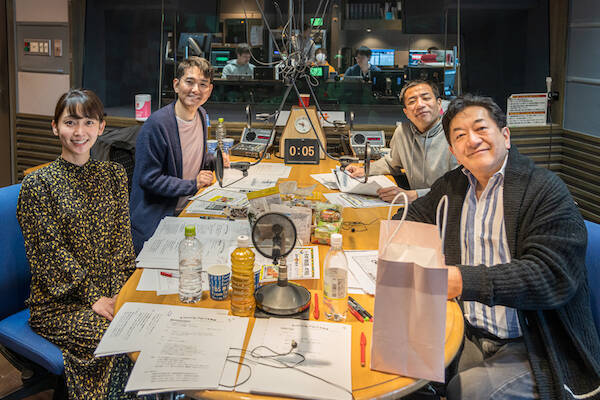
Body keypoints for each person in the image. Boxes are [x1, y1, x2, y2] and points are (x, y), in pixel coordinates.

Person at [400, 94, 600, 399]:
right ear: (453, 151)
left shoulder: (544, 190)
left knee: (467, 391)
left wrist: (461, 280)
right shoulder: (453, 186)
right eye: (460, 135)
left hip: (536, 344)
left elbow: (550, 275)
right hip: (468, 330)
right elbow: (412, 219)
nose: (472, 140)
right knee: (402, 366)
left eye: (481, 129)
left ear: (505, 136)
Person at [17, 89, 137, 399]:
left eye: (88, 122)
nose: (79, 132)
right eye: (70, 122)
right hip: (59, 303)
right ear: (55, 127)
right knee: (120, 341)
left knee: (149, 328)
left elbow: (122, 243)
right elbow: (49, 254)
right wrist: (94, 297)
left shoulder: (114, 175)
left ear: (101, 127)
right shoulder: (38, 183)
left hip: (110, 292)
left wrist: (123, 293)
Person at [130, 56, 228, 254]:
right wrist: (192, 184)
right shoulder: (157, 125)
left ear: (209, 90)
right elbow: (149, 179)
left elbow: (183, 158)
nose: (196, 90)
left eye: (203, 84)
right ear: (176, 85)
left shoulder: (201, 114)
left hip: (187, 210)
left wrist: (213, 160)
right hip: (158, 222)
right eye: (189, 82)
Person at [346, 80, 457, 203]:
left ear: (439, 104)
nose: (420, 105)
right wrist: (365, 170)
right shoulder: (403, 132)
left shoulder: (455, 135)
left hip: (448, 207)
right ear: (406, 112)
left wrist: (414, 195)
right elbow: (391, 163)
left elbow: (460, 188)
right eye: (412, 101)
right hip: (418, 207)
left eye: (426, 98)